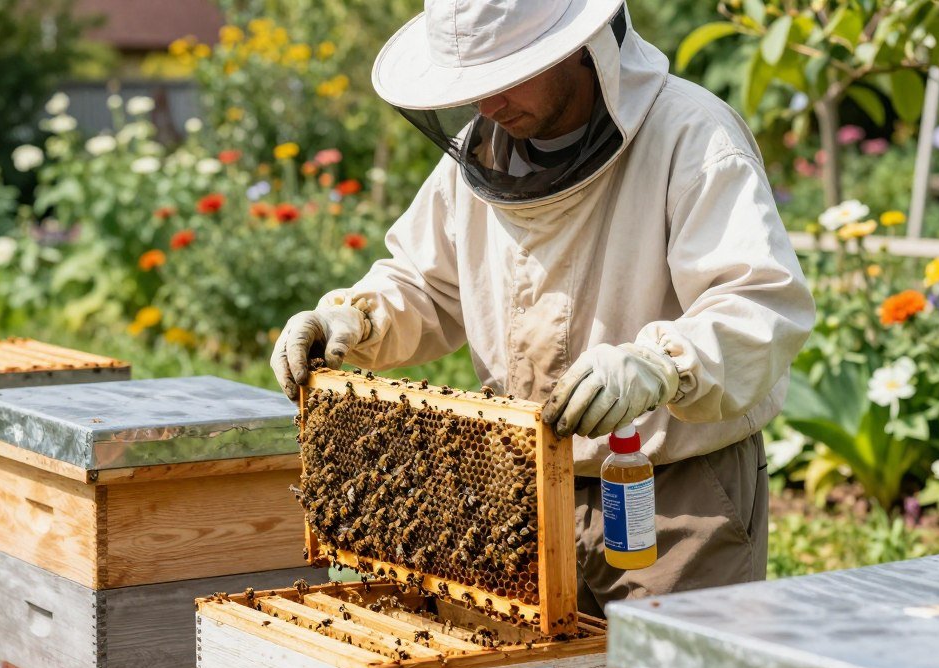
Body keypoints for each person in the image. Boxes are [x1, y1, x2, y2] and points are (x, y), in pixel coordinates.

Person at [270, 0, 816, 616]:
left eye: (505, 75)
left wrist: (661, 365)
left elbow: (760, 301)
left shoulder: (693, 137)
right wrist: (356, 318)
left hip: (676, 500)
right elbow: (425, 285)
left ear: (576, 47)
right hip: (523, 493)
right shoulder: (482, 159)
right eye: (472, 84)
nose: (487, 104)